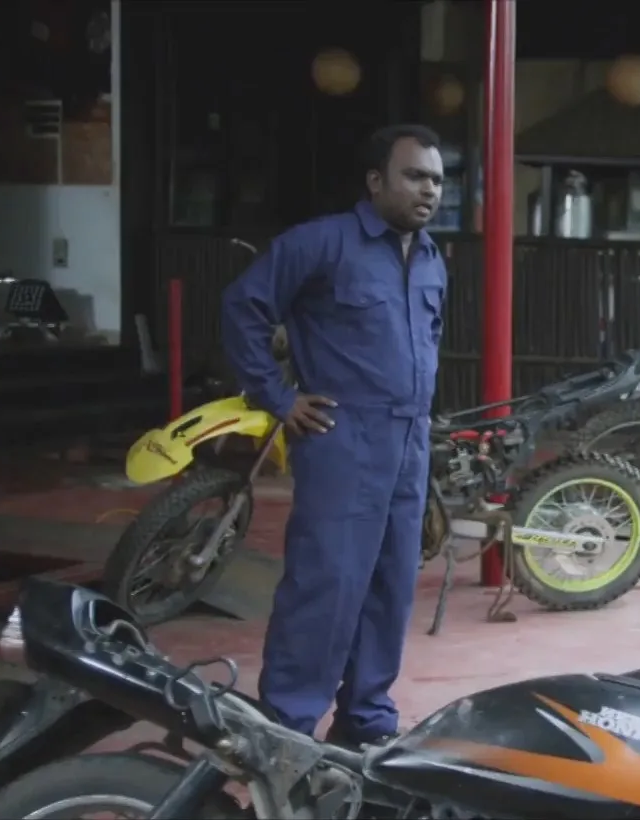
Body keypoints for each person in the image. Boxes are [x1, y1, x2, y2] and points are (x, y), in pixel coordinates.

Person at [220, 124, 447, 748]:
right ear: (375, 181)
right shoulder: (321, 243)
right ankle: (286, 728)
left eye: (436, 180)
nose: (428, 190)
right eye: (414, 176)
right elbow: (243, 306)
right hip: (345, 437)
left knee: (390, 586)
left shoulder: (432, 258)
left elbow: (425, 343)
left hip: (410, 440)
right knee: (327, 584)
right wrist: (277, 397)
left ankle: (366, 720)